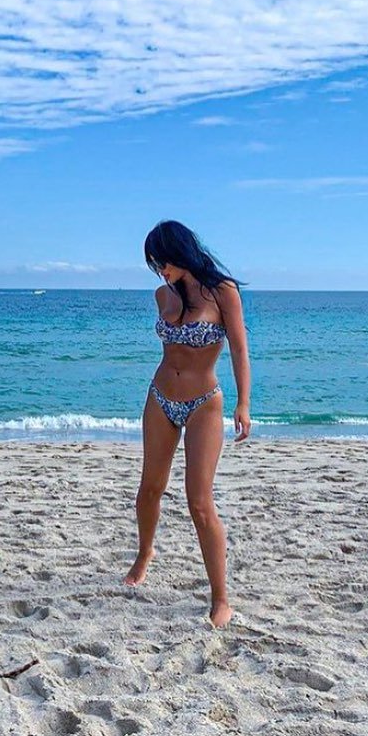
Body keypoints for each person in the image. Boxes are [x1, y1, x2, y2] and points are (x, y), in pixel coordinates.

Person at [123, 219, 251, 628]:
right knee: (149, 488)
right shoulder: (163, 294)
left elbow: (239, 349)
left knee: (199, 501)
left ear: (181, 253)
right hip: (160, 397)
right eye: (155, 265)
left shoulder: (222, 291)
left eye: (163, 262)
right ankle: (145, 553)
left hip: (204, 404)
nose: (160, 271)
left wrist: (243, 403)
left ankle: (221, 597)